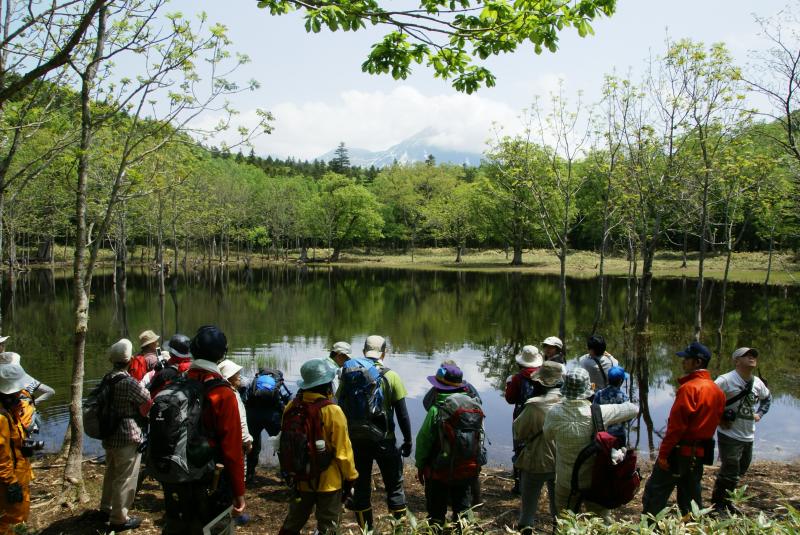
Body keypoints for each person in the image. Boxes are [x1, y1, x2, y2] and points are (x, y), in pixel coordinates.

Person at [157, 325, 245, 533]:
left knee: (179, 526)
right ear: (222, 354)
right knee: (215, 528)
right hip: (211, 478)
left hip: (175, 474)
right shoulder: (223, 394)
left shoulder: (175, 383)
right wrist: (239, 492)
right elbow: (232, 450)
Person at [642, 341, 726, 517]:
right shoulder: (717, 391)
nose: (683, 361)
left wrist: (664, 454)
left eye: (687, 359)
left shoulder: (689, 389)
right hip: (699, 453)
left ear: (698, 362)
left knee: (655, 494)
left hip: (678, 452)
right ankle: (693, 528)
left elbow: (676, 428)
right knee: (691, 499)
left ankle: (648, 528)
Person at [543, 367, 638, 523]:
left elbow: (548, 437)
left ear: (565, 388)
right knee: (600, 521)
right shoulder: (598, 412)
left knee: (564, 521)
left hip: (566, 481)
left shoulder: (554, 413)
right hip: (595, 480)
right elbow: (633, 409)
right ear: (588, 388)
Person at [278, 359, 358, 535]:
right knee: (328, 526)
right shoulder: (332, 411)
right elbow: (343, 452)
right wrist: (351, 477)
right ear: (328, 385)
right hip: (328, 482)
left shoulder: (292, 406)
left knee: (293, 521)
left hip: (301, 478)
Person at [344, 335, 412, 530]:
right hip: (385, 441)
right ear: (384, 352)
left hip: (357, 441)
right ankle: (398, 531)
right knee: (395, 488)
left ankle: (368, 532)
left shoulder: (350, 374)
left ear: (364, 351)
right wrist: (407, 441)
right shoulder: (391, 376)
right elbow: (403, 415)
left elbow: (340, 406)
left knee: (362, 491)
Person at [415, 363, 483, 529]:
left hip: (439, 471)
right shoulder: (474, 406)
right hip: (466, 469)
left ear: (439, 388)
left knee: (436, 513)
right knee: (463, 510)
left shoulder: (436, 409)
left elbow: (423, 441)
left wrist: (420, 465)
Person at [99, 339, 152, 533]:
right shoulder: (128, 382)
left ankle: (105, 508)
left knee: (111, 472)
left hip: (109, 433)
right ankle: (119, 518)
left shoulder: (107, 378)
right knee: (126, 477)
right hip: (127, 434)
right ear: (129, 360)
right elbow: (147, 399)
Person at [711, 347, 772, 513]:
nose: (752, 357)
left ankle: (727, 502)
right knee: (730, 470)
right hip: (729, 434)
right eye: (747, 355)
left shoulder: (758, 382)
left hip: (748, 435)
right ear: (737, 361)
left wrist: (759, 413)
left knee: (740, 469)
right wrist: (720, 417)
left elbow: (767, 398)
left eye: (754, 355)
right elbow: (709, 399)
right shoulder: (725, 380)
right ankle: (718, 505)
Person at [512, 361, 563, 533]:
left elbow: (518, 432)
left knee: (528, 509)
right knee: (559, 510)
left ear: (539, 382)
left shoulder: (534, 406)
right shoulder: (567, 402)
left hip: (535, 460)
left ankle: (526, 530)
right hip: (561, 462)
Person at [0, 362, 35, 535]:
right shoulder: (1, 417)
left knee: (18, 516)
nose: (20, 393)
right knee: (12, 520)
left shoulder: (10, 410)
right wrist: (10, 483)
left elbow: (13, 440)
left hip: (19, 471)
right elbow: (2, 456)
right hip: (10, 478)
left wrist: (25, 446)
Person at [242, 365, 291, 484]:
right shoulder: (278, 383)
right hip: (273, 416)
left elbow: (245, 398)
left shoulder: (254, 382)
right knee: (280, 444)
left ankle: (250, 475)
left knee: (253, 443)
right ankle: (286, 476)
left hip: (253, 415)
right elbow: (287, 400)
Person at [505, 345, 543, 494]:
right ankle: (536, 484)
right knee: (538, 446)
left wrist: (508, 385)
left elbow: (510, 399)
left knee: (519, 448)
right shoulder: (544, 376)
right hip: (541, 415)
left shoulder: (517, 378)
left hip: (521, 416)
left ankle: (518, 485)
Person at [592, 365, 631, 446]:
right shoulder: (624, 397)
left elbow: (594, 412)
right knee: (620, 456)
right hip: (619, 435)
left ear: (608, 379)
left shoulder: (599, 394)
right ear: (621, 381)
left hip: (602, 434)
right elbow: (628, 418)